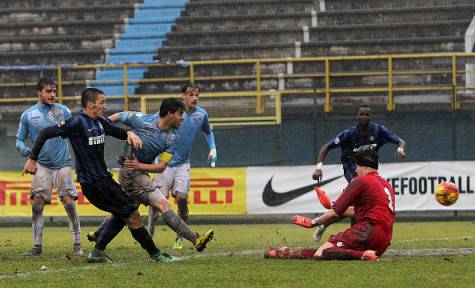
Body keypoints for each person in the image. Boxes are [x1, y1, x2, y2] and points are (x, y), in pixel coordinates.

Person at [22, 87, 174, 263]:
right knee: (131, 211)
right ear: (89, 104)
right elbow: (45, 133)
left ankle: (98, 252)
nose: (105, 105)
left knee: (123, 212)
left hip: (103, 180)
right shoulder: (77, 122)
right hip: (93, 183)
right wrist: (32, 159)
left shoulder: (100, 121)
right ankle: (154, 254)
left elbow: (116, 131)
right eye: (101, 102)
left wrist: (129, 133)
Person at [86, 97, 214, 253]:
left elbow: (161, 167)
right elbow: (118, 116)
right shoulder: (142, 120)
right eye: (180, 114)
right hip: (131, 174)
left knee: (125, 208)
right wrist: (99, 130)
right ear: (170, 113)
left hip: (139, 170)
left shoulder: (173, 138)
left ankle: (99, 236)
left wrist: (140, 165)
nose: (183, 118)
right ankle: (196, 240)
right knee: (163, 204)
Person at [265, 147, 395, 261]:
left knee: (322, 253)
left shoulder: (361, 180)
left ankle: (362, 255)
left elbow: (335, 213)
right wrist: (330, 204)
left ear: (365, 167)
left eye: (357, 166)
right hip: (383, 241)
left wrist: (313, 222)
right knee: (327, 251)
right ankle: (286, 253)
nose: (356, 170)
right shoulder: (386, 185)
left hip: (367, 232)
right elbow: (354, 211)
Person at [311, 104, 405, 240]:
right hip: (352, 171)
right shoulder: (348, 135)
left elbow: (400, 141)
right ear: (357, 116)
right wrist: (318, 168)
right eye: (362, 114)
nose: (364, 117)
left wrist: (401, 149)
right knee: (358, 206)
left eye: (367, 114)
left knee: (356, 207)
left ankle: (324, 224)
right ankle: (350, 236)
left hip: (370, 172)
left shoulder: (378, 131)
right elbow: (326, 147)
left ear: (370, 117)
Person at [16, 77, 83, 257]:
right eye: (48, 91)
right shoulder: (28, 115)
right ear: (39, 93)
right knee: (37, 203)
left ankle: (78, 244)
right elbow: (19, 140)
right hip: (41, 165)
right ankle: (37, 247)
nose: (53, 94)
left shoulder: (64, 111)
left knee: (68, 201)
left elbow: (75, 134)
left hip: (63, 164)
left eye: (54, 91)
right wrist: (27, 152)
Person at [148, 83, 217, 250]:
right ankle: (149, 234)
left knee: (182, 199)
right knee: (157, 204)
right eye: (191, 94)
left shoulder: (201, 115)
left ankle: (179, 237)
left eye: (197, 95)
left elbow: (208, 131)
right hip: (163, 164)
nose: (194, 98)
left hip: (183, 164)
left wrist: (213, 148)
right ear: (183, 96)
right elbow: (150, 123)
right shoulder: (172, 112)